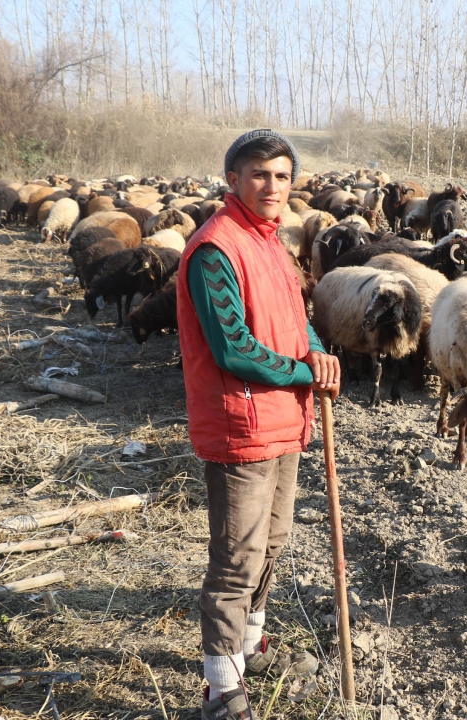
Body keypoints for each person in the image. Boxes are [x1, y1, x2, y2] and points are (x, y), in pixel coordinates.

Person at [176, 129, 340, 720]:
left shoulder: (271, 241)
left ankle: (250, 645)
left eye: (282, 176)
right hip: (241, 423)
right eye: (259, 174)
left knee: (271, 542)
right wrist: (301, 371)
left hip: (283, 419)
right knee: (236, 558)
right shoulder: (216, 249)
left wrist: (315, 349)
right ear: (233, 180)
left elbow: (295, 320)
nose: (273, 186)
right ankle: (221, 687)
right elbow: (233, 348)